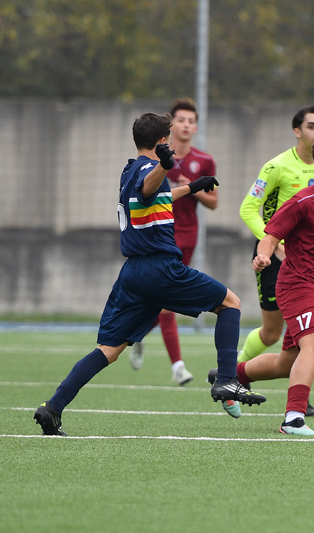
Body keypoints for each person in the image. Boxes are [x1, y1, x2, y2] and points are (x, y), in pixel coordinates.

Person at [33, 112, 266, 435]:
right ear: (162, 141)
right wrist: (165, 165)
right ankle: (227, 379)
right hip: (160, 267)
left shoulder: (128, 169)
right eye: (168, 136)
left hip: (133, 273)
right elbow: (148, 187)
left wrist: (191, 187)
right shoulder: (148, 170)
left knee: (109, 351)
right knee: (230, 303)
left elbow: (153, 195)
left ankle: (53, 407)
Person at [211, 132, 314, 435]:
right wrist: (263, 257)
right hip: (297, 285)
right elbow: (270, 237)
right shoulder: (302, 202)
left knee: (286, 363)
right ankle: (293, 418)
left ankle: (229, 376)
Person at [235, 105, 314, 418]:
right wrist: (273, 244)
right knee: (271, 333)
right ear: (297, 131)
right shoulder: (276, 166)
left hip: (309, 263)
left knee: (307, 333)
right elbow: (248, 209)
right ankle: (233, 375)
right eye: (312, 126)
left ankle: (299, 397)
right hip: (274, 258)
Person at [128, 98, 218, 388]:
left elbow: (214, 202)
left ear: (196, 127)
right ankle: (178, 366)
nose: (186, 125)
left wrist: (191, 187)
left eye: (192, 121)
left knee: (163, 301)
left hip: (186, 235)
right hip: (158, 235)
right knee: (166, 301)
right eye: (181, 120)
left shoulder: (204, 161)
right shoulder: (155, 159)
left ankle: (136, 335)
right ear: (171, 127)